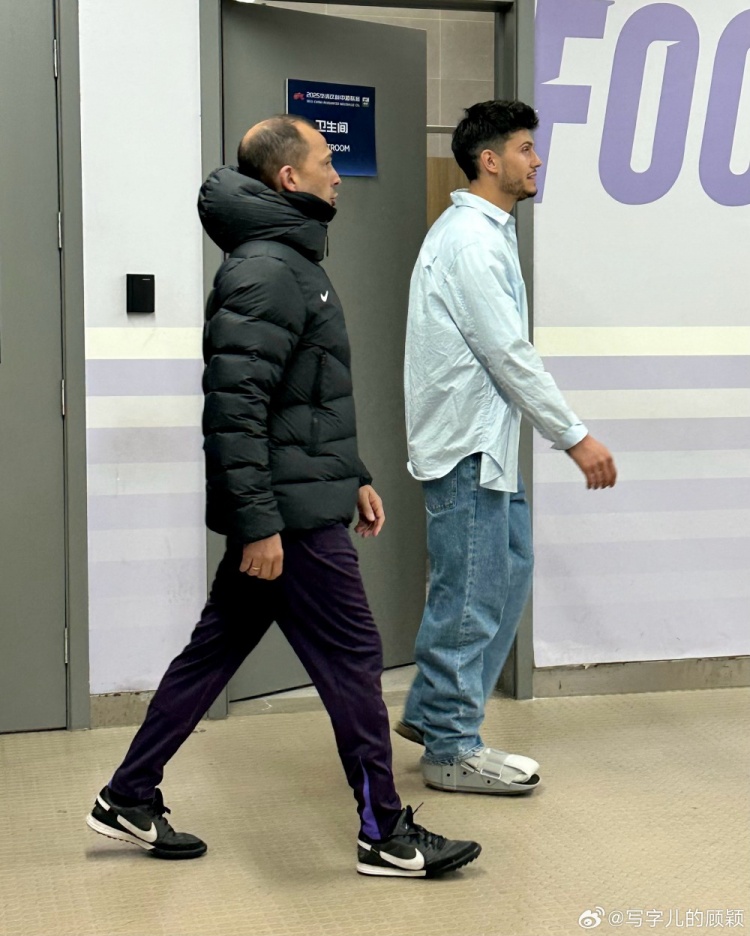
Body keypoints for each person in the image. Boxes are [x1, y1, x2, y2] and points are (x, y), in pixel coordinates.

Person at [86, 115, 481, 878]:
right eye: (327, 161)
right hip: (290, 523)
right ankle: (384, 833)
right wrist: (260, 523)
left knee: (212, 654)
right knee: (355, 657)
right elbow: (235, 412)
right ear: (289, 178)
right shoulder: (268, 270)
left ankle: (127, 795)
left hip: (293, 503)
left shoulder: (290, 260)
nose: (338, 174)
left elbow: (303, 399)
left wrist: (352, 473)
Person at [396, 100, 617, 795]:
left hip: (487, 443)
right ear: (489, 161)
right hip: (467, 446)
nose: (536, 159)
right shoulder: (470, 241)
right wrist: (574, 437)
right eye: (525, 148)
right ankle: (452, 747)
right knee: (470, 597)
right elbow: (507, 354)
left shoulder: (486, 232)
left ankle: (433, 711)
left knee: (507, 571)